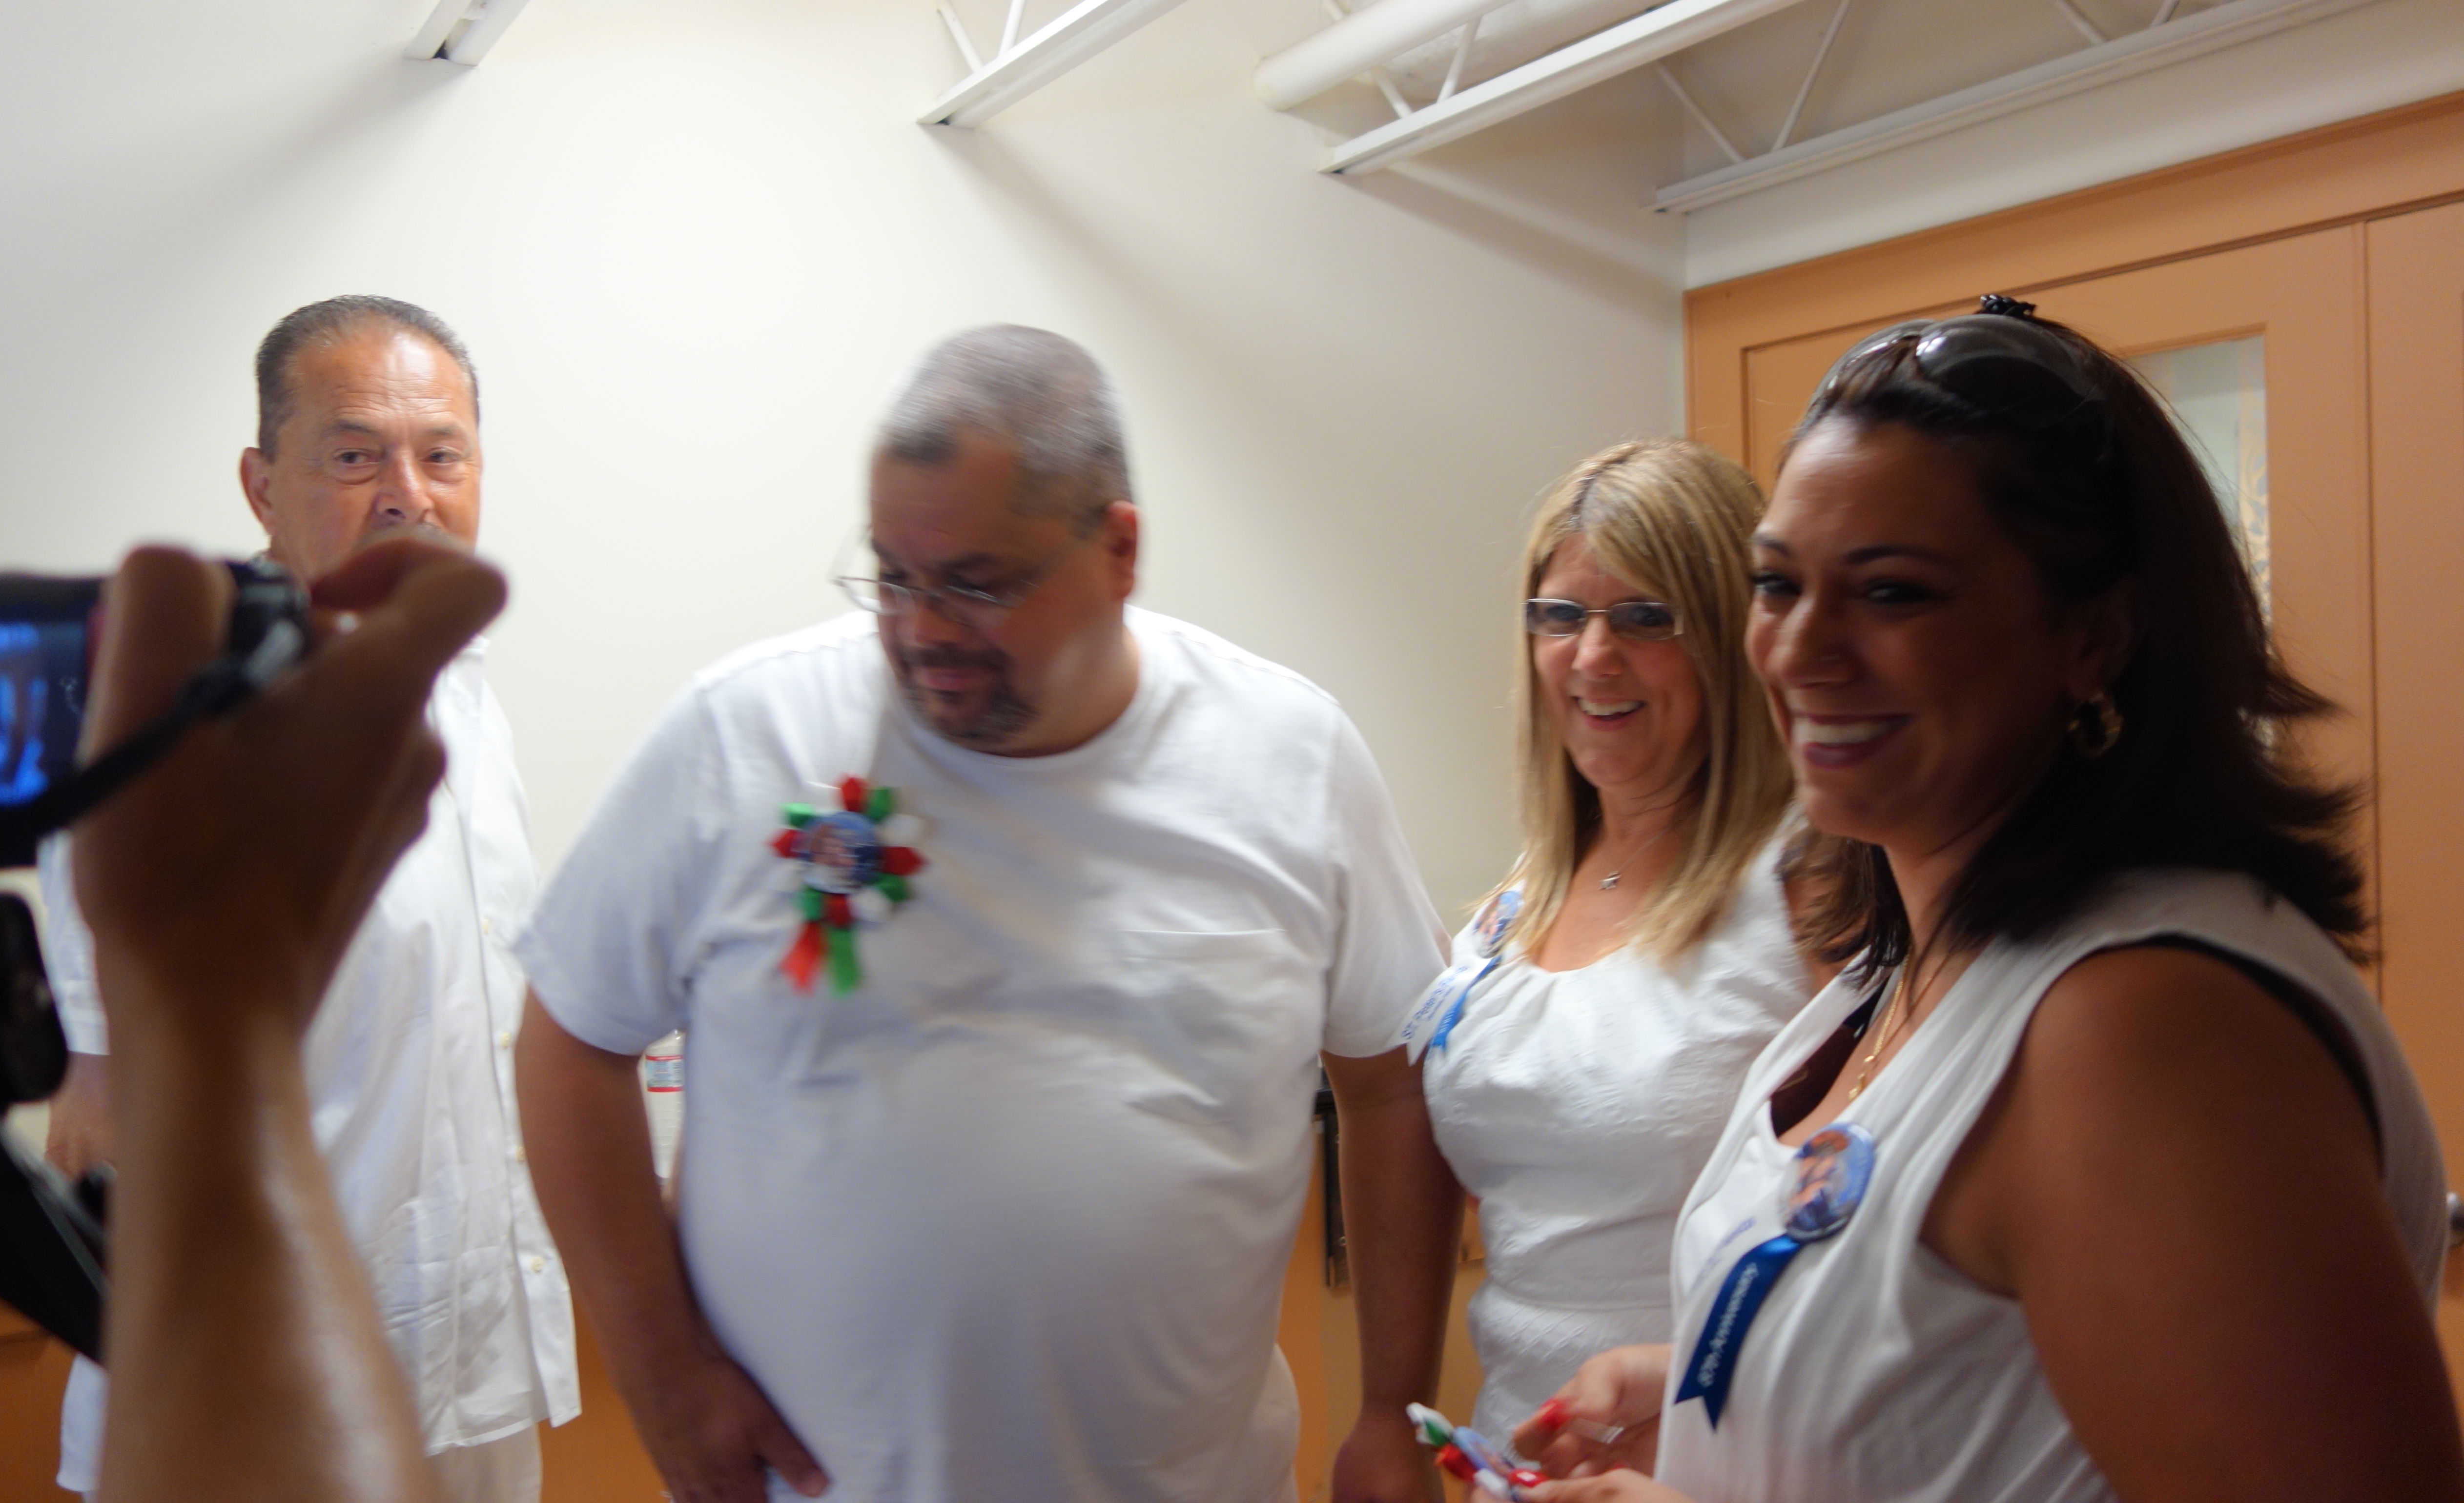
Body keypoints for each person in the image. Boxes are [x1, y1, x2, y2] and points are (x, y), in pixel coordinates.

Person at [1513, 299, 2464, 1502]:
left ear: (2095, 635)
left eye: (1893, 592)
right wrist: (1729, 1406)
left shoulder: (2146, 1031)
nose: (1801, 650)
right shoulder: (1906, 967)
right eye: (1778, 584)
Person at [512, 324, 1450, 1503]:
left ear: (1119, 549)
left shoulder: (1288, 755)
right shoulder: (745, 733)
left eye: (976, 583)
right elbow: (569, 1040)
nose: (922, 628)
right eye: (893, 575)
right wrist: (662, 1375)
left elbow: (1392, 1081)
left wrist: (1391, 1407)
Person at [39, 295, 575, 1503]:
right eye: (354, 456)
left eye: (443, 455)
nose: (407, 494)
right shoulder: (171, 731)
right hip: (258, 1387)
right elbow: (101, 1133)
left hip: (471, 1361)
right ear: (261, 485)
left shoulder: (461, 695)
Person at [1331, 442, 1824, 1503]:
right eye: (1561, 616)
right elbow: (1423, 1133)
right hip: (1523, 1460)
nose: (1594, 656)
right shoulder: (1516, 905)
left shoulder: (1810, 883)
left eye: (1646, 618)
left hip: (1732, 1465)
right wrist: (1387, 1409)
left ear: (1732, 636)